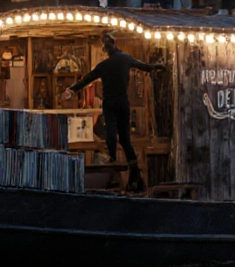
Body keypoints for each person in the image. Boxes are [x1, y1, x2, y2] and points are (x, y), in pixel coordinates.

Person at [61, 32, 165, 193]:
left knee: (111, 130)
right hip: (123, 102)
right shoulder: (126, 59)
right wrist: (158, 67)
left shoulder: (103, 66)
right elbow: (144, 67)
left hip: (109, 102)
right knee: (125, 139)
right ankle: (134, 168)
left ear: (105, 50)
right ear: (115, 45)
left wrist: (72, 90)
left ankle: (112, 158)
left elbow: (86, 79)